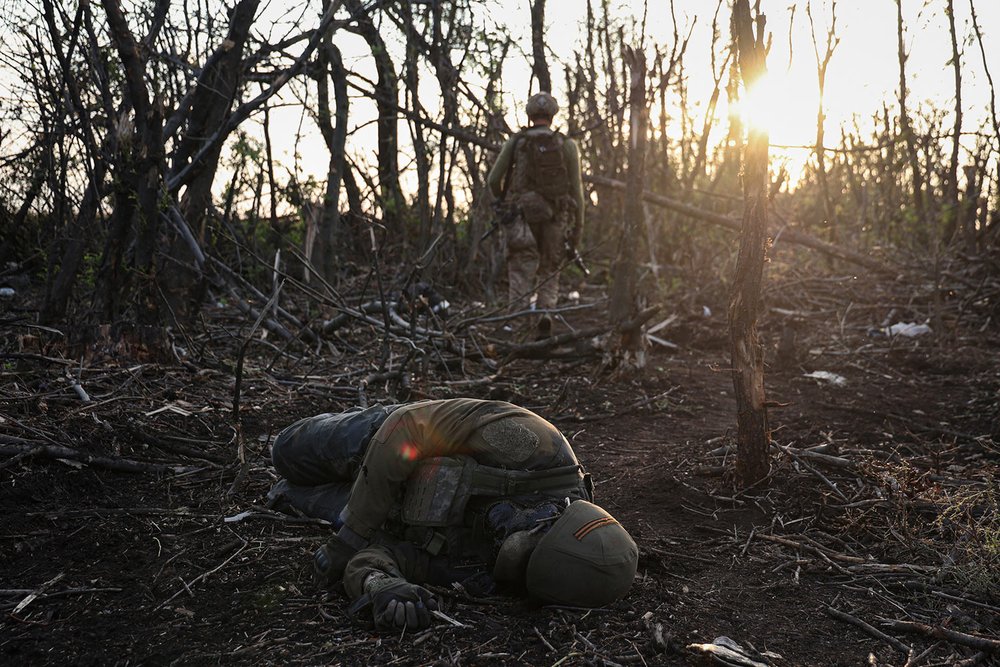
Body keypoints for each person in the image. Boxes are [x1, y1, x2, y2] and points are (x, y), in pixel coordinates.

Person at [269, 398, 638, 631]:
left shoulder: (488, 574)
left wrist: (381, 587)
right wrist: (350, 535)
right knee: (284, 451)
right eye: (529, 529)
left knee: (284, 493)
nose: (502, 536)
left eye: (514, 558)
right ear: (558, 511)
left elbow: (383, 556)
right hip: (384, 442)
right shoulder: (535, 447)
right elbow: (410, 426)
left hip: (388, 512)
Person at [487, 92, 586, 339]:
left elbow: (493, 180)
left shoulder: (517, 142)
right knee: (550, 268)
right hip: (556, 215)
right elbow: (578, 193)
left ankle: (518, 326)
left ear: (530, 115)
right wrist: (577, 232)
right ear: (552, 116)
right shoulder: (566, 145)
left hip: (521, 215)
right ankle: (545, 314)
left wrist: (504, 199)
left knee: (521, 267)